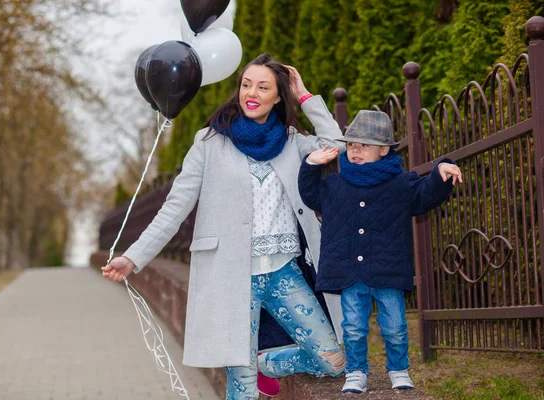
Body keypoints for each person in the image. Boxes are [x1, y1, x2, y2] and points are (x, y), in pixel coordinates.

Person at [102, 53, 346, 400]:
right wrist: (133, 258)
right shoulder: (210, 141)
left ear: (278, 96)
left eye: (264, 87)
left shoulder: (293, 142)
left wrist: (305, 95)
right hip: (230, 275)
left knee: (333, 359)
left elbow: (337, 146)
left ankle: (262, 361)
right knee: (242, 388)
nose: (252, 92)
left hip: (283, 272)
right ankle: (246, 366)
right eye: (247, 84)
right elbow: (175, 207)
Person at [298, 110, 463, 394]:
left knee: (396, 326)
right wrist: (311, 164)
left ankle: (398, 369)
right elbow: (310, 194)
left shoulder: (402, 183)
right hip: (350, 271)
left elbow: (426, 194)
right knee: (353, 327)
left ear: (384, 150)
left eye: (364, 145)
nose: (355, 150)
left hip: (388, 269)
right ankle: (356, 371)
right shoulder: (335, 184)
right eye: (351, 144)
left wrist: (440, 171)